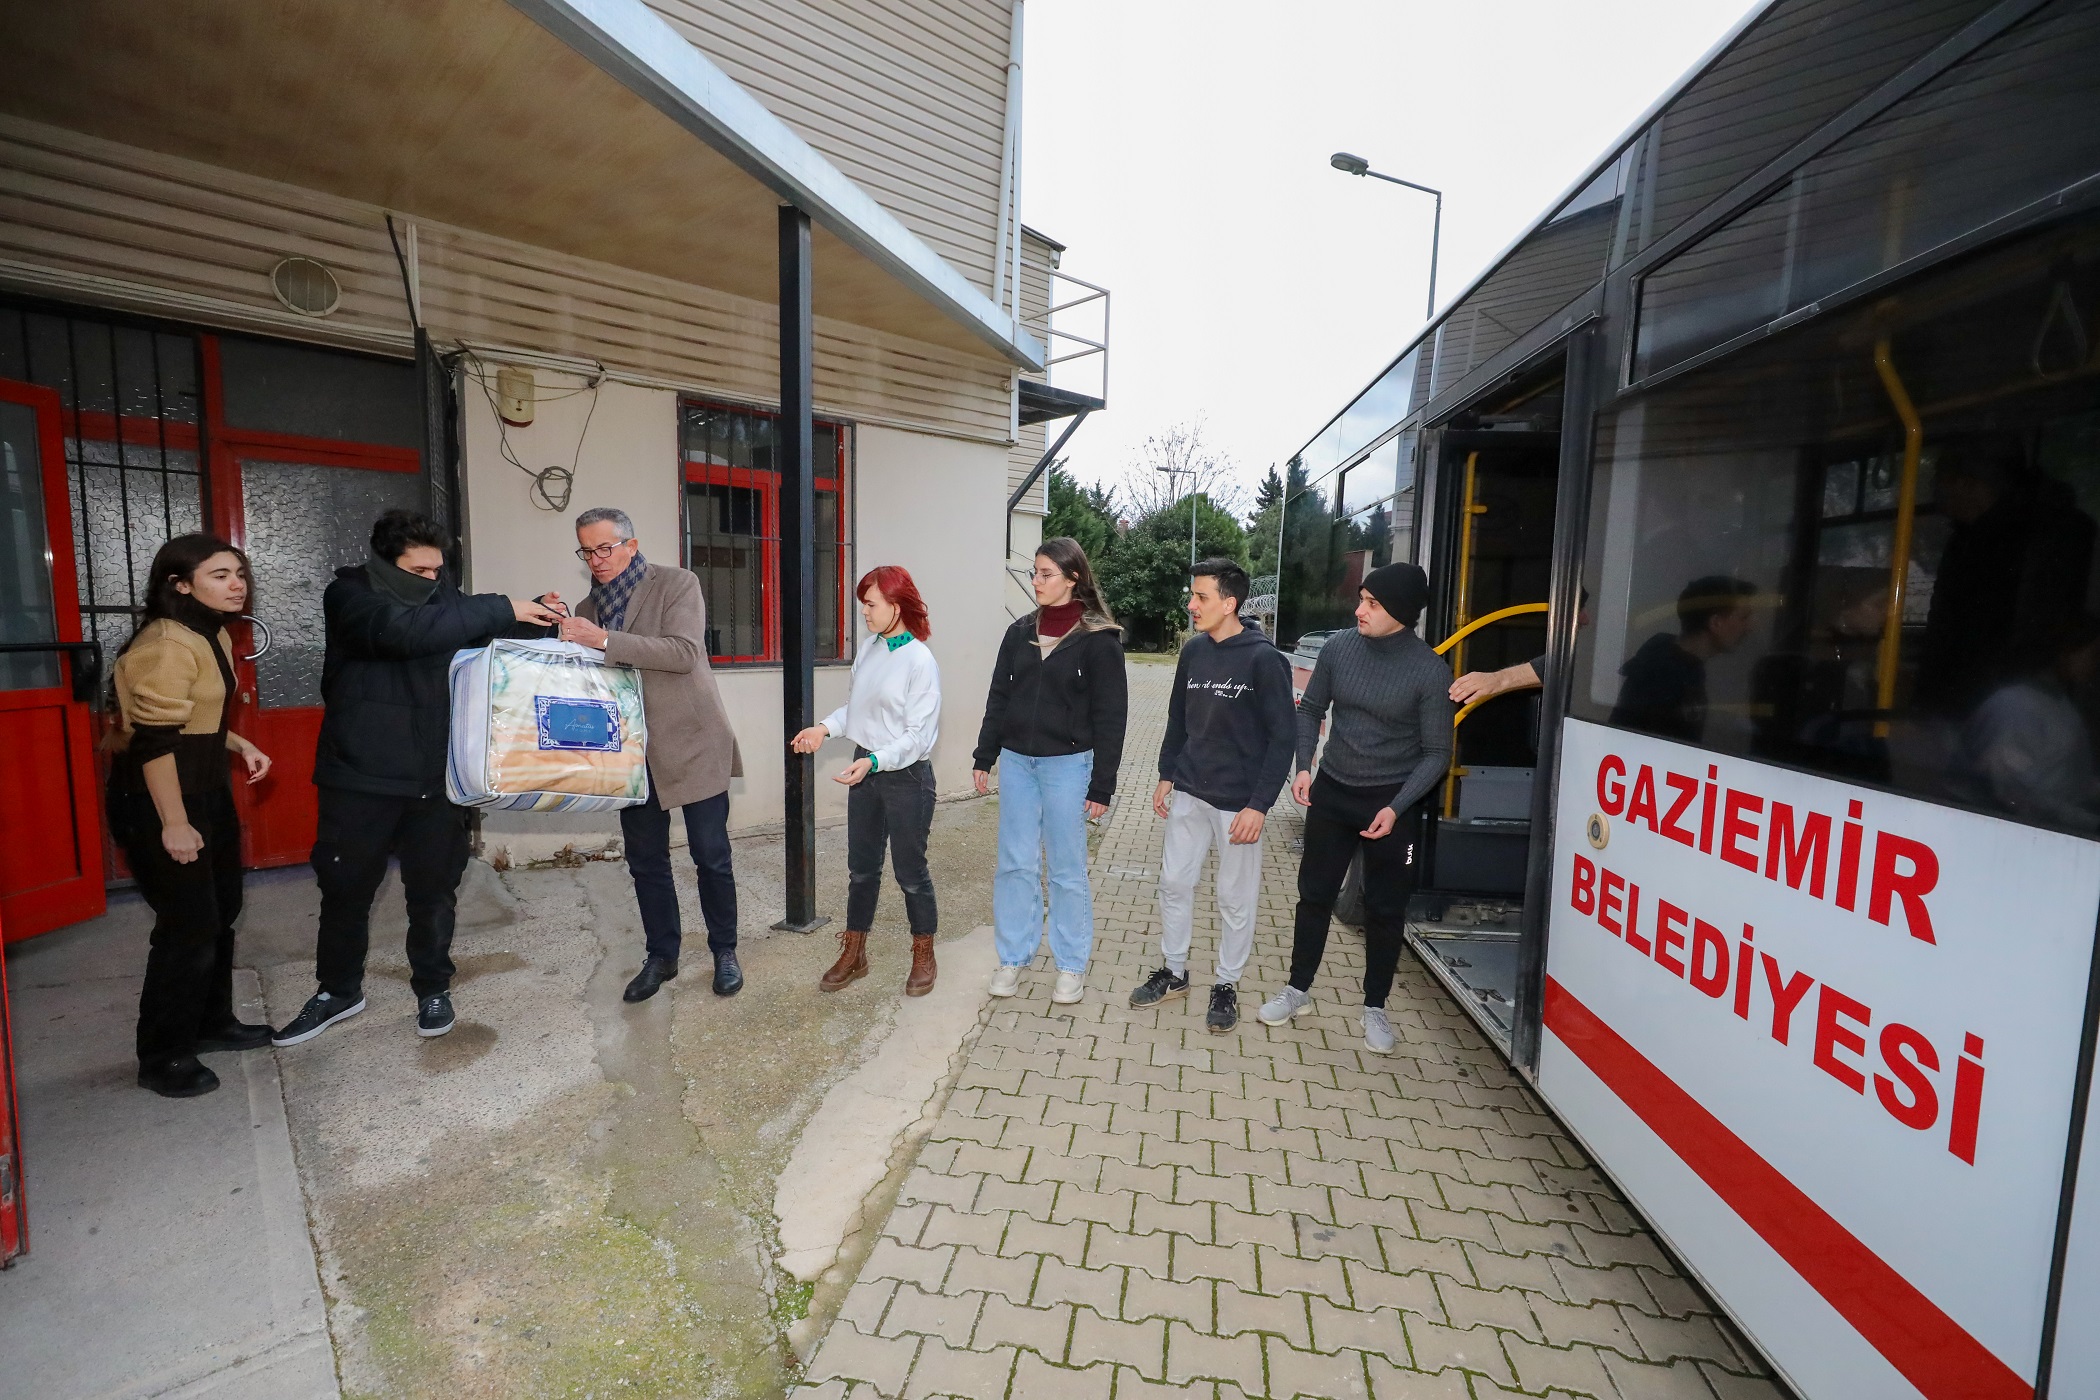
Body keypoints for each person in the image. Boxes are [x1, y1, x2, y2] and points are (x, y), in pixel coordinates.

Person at [273, 511, 559, 1047]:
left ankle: (432, 986)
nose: (432, 579)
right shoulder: (352, 598)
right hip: (361, 776)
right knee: (345, 889)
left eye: (437, 570)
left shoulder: (446, 600)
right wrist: (500, 606)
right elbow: (403, 633)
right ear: (388, 563)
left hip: (435, 778)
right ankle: (338, 990)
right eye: (420, 570)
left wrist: (534, 616)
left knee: (433, 891)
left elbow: (482, 634)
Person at [1257, 562, 1452, 1055]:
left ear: (1402, 614)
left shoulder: (1429, 670)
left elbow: (1437, 754)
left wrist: (1397, 807)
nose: (1359, 609)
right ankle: (1297, 990)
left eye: (1372, 603)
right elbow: (1310, 709)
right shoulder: (1341, 648)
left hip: (1391, 805)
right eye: (1361, 599)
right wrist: (1304, 767)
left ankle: (1375, 1007)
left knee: (1385, 909)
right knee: (1314, 895)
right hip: (1333, 792)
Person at [551, 507, 744, 1003]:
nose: (595, 559)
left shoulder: (677, 584)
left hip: (693, 740)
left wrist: (607, 641)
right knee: (645, 862)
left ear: (631, 546)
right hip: (630, 755)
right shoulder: (587, 607)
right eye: (586, 550)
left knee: (711, 856)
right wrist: (560, 630)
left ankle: (725, 950)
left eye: (604, 548)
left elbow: (683, 652)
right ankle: (662, 955)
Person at [107, 535, 275, 1097]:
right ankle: (163, 1055)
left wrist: (238, 744)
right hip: (160, 798)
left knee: (222, 910)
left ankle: (211, 1023)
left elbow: (194, 715)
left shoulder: (214, 633)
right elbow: (153, 743)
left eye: (239, 573)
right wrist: (173, 824)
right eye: (220, 575)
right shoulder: (166, 645)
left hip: (205, 790)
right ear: (180, 584)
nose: (237, 584)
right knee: (187, 927)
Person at [1130, 558, 1295, 1033]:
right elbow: (1177, 718)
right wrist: (1166, 773)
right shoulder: (1194, 652)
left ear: (1230, 603)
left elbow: (1283, 738)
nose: (1191, 604)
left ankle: (1226, 984)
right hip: (1189, 790)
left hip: (1237, 804)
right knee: (1175, 884)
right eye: (1192, 595)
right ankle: (1174, 972)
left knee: (1234, 897)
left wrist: (1259, 804)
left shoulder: (1265, 660)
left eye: (1201, 597)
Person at [973, 537, 1127, 1005]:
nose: (1036, 582)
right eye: (1035, 573)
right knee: (1015, 862)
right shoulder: (1019, 631)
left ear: (1072, 578)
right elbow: (999, 695)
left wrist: (1103, 784)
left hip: (1068, 766)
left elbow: (1112, 718)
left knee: (1065, 868)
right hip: (1018, 764)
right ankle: (1013, 958)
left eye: (1046, 574)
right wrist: (985, 755)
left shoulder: (1100, 639)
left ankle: (1070, 964)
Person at [793, 566, 943, 996]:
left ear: (897, 606)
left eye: (871, 605)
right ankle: (855, 951)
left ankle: (923, 954)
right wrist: (824, 728)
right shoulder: (870, 649)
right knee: (862, 870)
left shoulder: (920, 661)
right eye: (864, 604)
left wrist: (875, 760)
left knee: (911, 872)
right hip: (867, 770)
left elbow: (918, 737)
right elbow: (855, 710)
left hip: (906, 777)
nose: (865, 612)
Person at [1608, 575, 1756, 742]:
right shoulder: (1667, 680)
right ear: (1715, 623)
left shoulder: (1666, 663)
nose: (1750, 627)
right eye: (1743, 618)